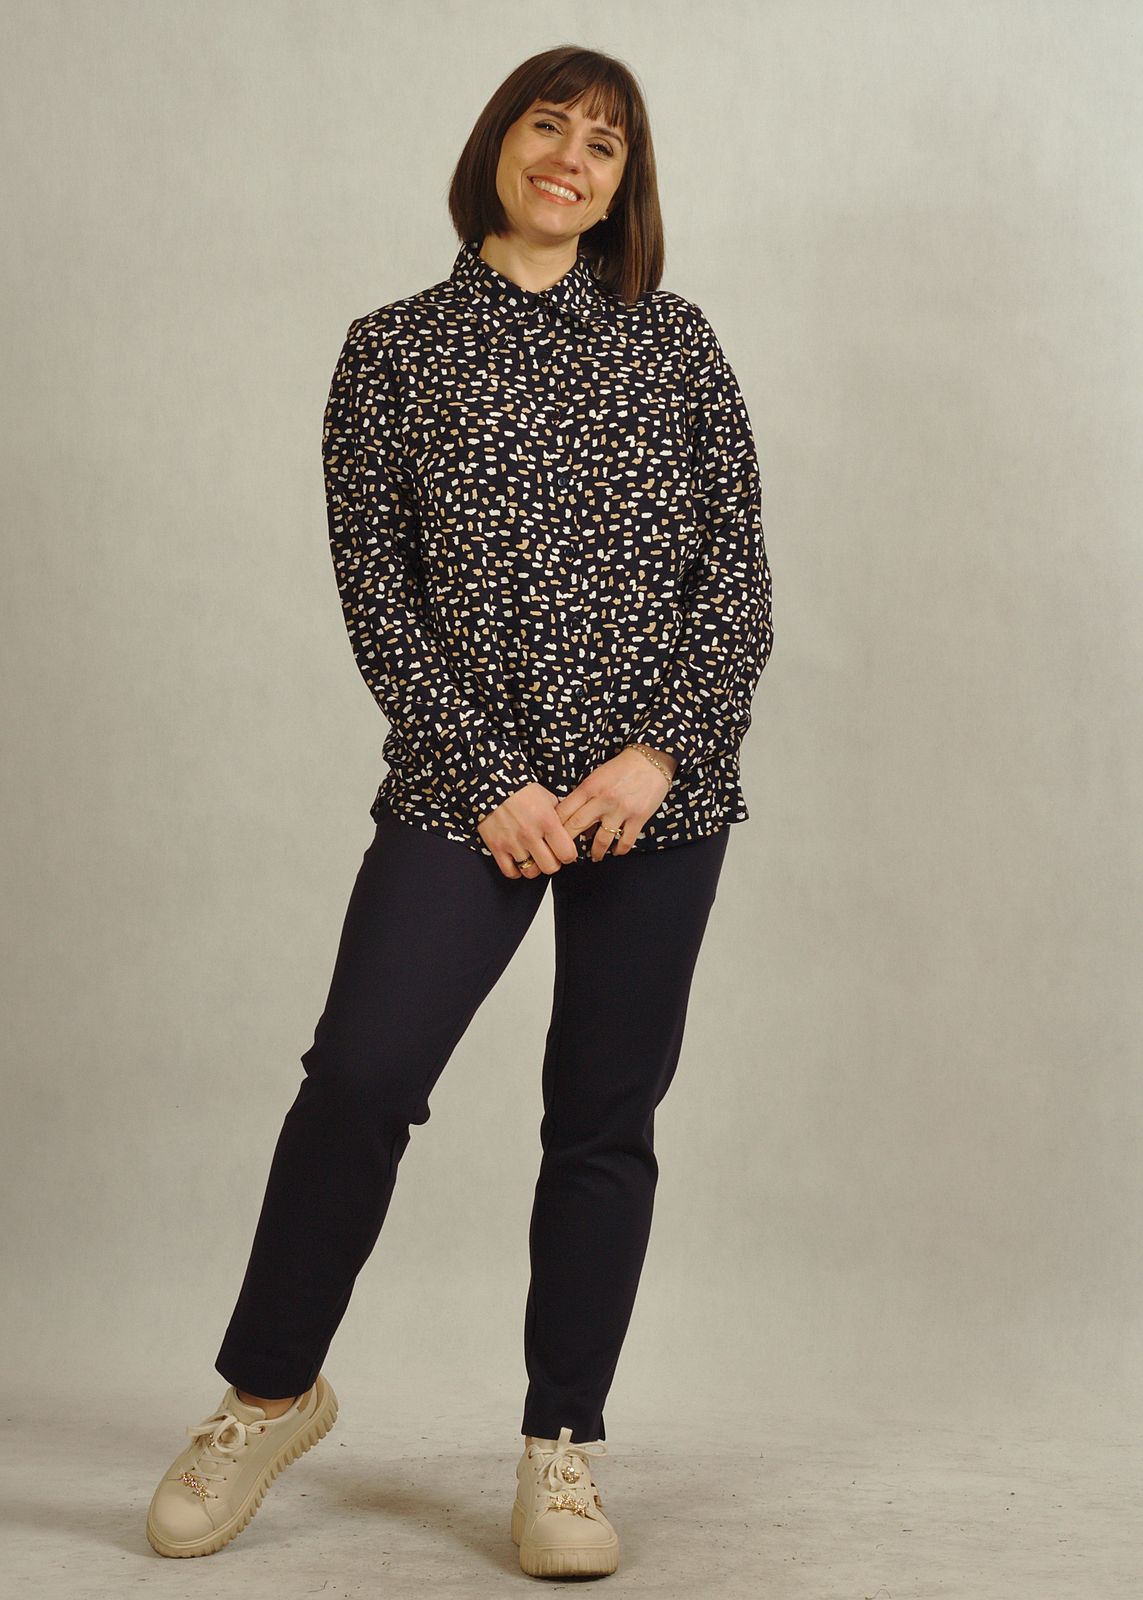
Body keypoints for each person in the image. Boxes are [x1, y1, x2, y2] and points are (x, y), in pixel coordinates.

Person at [146, 42, 773, 1580]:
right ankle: (268, 1397)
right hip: (462, 788)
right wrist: (489, 777)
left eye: (604, 145)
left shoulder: (678, 344)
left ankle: (562, 1447)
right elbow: (378, 591)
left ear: (624, 185)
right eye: (549, 126)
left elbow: (737, 579)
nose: (571, 159)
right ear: (500, 144)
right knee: (359, 1080)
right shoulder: (392, 351)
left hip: (651, 801)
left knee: (603, 1119)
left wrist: (657, 759)